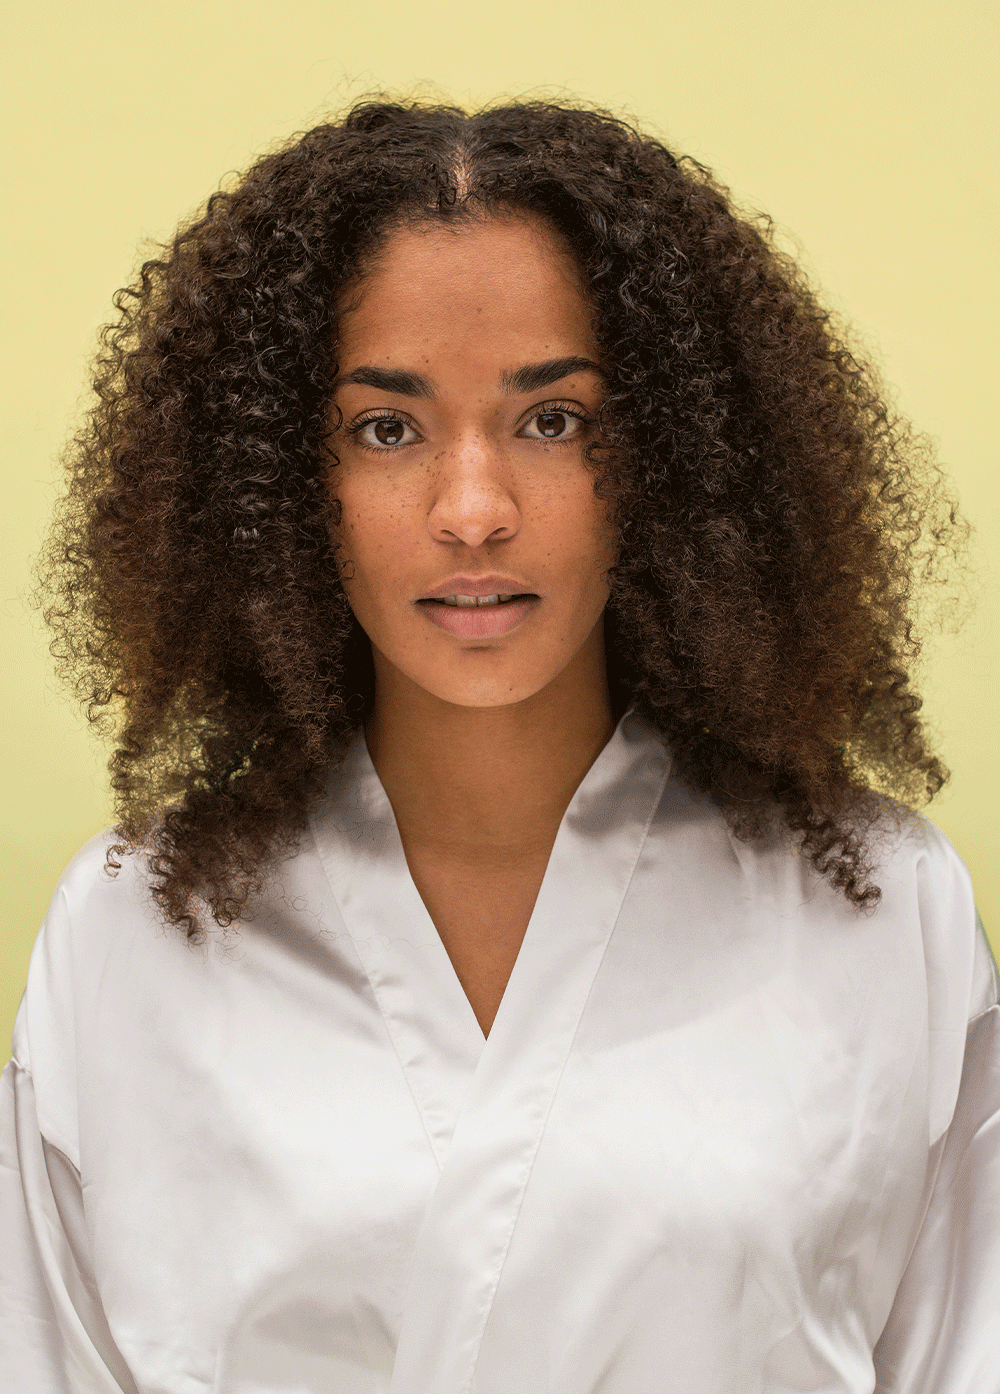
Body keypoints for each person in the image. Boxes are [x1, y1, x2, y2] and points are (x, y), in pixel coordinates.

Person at [1, 98, 996, 1393]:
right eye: (387, 428)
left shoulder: (881, 911)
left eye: (555, 419)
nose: (473, 510)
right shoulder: (130, 934)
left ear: (679, 459)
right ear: (278, 483)